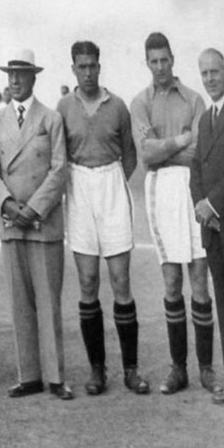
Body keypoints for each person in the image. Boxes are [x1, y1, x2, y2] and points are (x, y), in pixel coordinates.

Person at [56, 41, 151, 396]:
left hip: (111, 182)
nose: (88, 72)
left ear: (100, 65)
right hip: (79, 186)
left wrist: (109, 182)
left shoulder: (119, 106)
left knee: (120, 278)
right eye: (81, 66)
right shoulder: (64, 107)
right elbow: (59, 153)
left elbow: (129, 158)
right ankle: (97, 369)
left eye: (93, 65)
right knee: (88, 280)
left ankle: (131, 368)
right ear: (73, 69)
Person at [130, 32, 218, 395]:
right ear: (147, 62)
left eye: (165, 59)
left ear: (173, 59)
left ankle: (207, 369)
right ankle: (178, 368)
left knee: (199, 279)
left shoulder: (195, 99)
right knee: (171, 282)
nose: (161, 67)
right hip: (160, 191)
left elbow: (201, 154)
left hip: (193, 189)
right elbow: (146, 155)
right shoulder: (140, 102)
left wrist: (166, 148)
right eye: (154, 61)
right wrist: (180, 140)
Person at [0, 49, 73, 400]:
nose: (15, 81)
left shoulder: (50, 119)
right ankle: (30, 375)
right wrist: (8, 203)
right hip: (12, 222)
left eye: (21, 74)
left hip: (42, 223)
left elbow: (59, 169)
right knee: (19, 303)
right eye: (10, 74)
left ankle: (55, 377)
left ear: (34, 78)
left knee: (48, 302)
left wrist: (34, 209)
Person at [191, 47, 224, 404]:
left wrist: (213, 204)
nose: (209, 79)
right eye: (204, 74)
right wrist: (201, 207)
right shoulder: (205, 119)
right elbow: (196, 172)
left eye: (215, 72)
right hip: (213, 231)